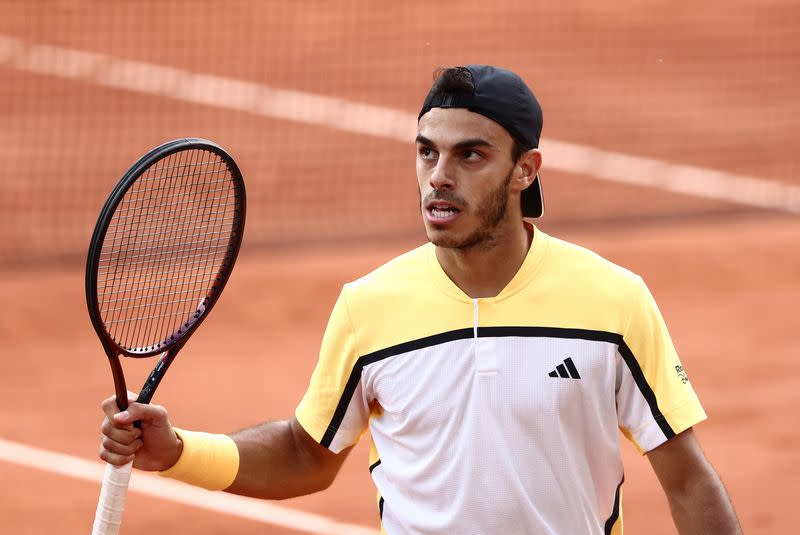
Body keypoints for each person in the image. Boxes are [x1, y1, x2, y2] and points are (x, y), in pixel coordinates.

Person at [99, 65, 742, 534]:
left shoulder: (613, 302)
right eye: (427, 152)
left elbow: (684, 477)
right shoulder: (369, 305)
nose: (440, 176)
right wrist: (177, 451)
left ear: (526, 170)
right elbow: (306, 453)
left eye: (471, 155)